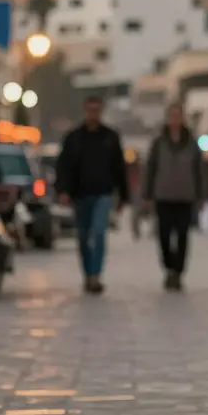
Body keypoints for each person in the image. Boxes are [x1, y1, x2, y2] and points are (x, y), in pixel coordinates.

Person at [55, 96, 129, 295]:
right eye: (90, 110)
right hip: (80, 195)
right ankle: (87, 274)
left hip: (103, 194)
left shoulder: (110, 138)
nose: (93, 114)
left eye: (97, 110)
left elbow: (119, 168)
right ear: (85, 110)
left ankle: (96, 275)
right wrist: (63, 190)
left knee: (98, 233)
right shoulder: (74, 138)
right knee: (82, 237)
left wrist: (123, 195)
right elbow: (63, 166)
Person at [142, 102, 207, 291]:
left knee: (182, 235)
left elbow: (199, 170)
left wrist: (201, 194)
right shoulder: (159, 142)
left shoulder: (191, 143)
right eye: (172, 115)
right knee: (163, 235)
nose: (175, 119)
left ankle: (178, 271)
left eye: (178, 115)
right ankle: (168, 266)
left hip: (185, 195)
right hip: (163, 195)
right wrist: (147, 193)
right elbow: (150, 168)